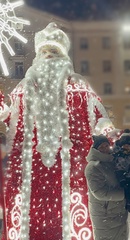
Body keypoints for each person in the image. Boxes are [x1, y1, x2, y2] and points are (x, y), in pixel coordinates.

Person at [0, 22, 117, 240]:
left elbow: (99, 115)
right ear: (37, 56)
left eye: (53, 52)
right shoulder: (24, 87)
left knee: (71, 218)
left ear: (63, 56)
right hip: (30, 168)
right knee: (28, 218)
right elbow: (9, 117)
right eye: (44, 52)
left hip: (70, 167)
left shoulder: (78, 85)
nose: (49, 57)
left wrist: (107, 129)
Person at [85, 134, 128, 240]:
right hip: (105, 216)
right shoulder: (93, 167)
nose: (104, 149)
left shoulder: (112, 161)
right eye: (101, 146)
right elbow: (100, 192)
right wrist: (125, 193)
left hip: (118, 214)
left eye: (106, 145)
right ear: (96, 148)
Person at [113, 132, 130, 213]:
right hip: (124, 178)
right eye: (124, 146)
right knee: (128, 192)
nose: (126, 147)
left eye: (128, 146)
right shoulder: (119, 156)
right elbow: (118, 168)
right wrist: (122, 179)